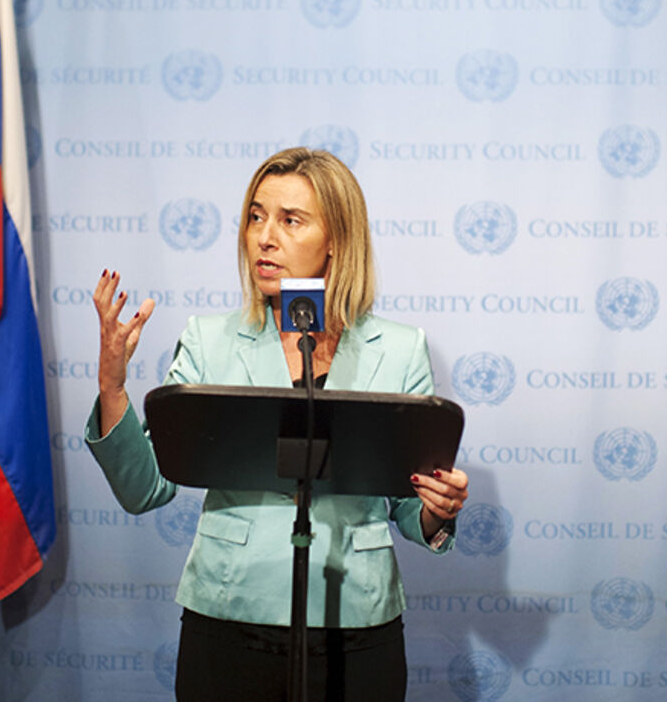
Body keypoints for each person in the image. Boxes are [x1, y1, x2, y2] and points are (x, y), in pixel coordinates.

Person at [85, 147, 470, 700]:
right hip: (229, 615)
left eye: (291, 220)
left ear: (337, 238)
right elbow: (146, 488)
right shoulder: (206, 340)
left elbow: (409, 509)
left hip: (356, 623)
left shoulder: (401, 349)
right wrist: (113, 387)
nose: (265, 237)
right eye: (256, 216)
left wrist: (436, 508)